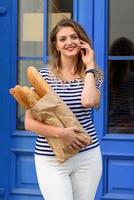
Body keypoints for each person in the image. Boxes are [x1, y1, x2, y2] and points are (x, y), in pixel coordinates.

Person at [25, 18, 103, 200]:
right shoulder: (41, 76)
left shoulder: (95, 75)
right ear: (56, 46)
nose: (69, 42)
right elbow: (29, 123)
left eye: (74, 37)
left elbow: (88, 101)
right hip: (51, 158)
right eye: (63, 39)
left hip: (87, 156)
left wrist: (90, 66)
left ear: (82, 41)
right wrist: (62, 133)